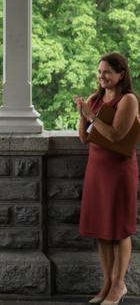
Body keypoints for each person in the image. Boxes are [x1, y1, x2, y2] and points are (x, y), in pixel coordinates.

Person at [75, 52, 138, 305]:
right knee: (102, 229)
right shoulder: (94, 99)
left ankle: (120, 284)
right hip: (97, 170)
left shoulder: (128, 100)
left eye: (107, 72)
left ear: (121, 74)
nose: (102, 77)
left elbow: (115, 135)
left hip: (119, 170)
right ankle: (107, 283)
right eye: (99, 72)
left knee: (120, 229)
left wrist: (91, 116)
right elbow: (84, 138)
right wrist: (82, 114)